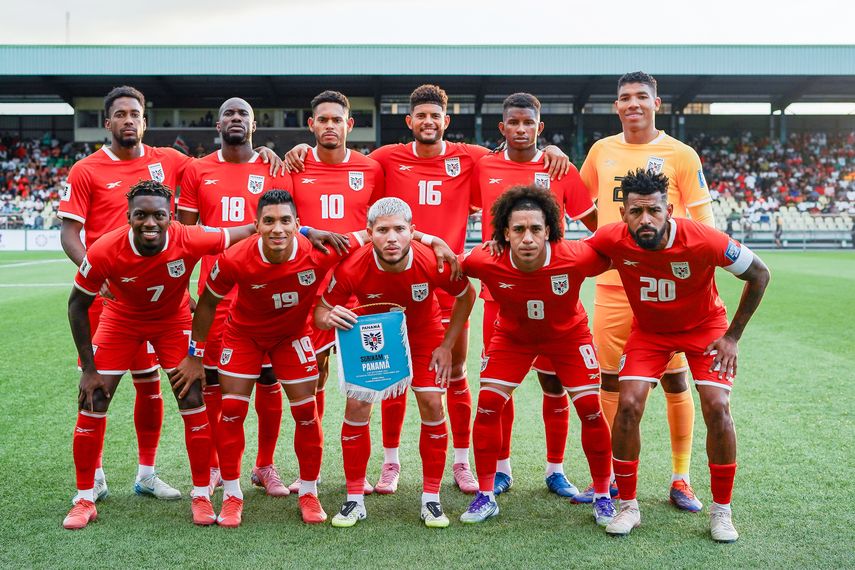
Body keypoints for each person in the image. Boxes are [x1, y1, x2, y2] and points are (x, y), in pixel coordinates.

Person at [285, 84, 571, 494]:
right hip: (396, 281)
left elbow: (516, 154)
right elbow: (344, 166)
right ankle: (390, 462)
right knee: (391, 374)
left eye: (435, 116)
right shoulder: (384, 159)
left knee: (455, 375)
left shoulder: (470, 157)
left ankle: (461, 461)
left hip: (446, 281)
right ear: (409, 121)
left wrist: (552, 152)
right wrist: (299, 146)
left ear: (446, 120)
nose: (428, 122)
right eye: (420, 116)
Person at [58, 86, 283, 503]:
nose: (128, 120)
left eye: (135, 114)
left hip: (164, 301)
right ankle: (96, 479)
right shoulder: (85, 170)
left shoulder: (173, 161)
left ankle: (147, 473)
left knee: (152, 387)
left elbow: (225, 163)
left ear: (144, 121)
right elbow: (69, 232)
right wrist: (92, 269)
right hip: (112, 296)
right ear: (107, 122)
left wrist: (271, 152)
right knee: (96, 389)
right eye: (120, 114)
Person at [585, 168, 770, 542]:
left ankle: (722, 511)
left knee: (716, 405)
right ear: (623, 214)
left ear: (668, 208)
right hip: (650, 332)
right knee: (629, 404)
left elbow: (760, 274)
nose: (645, 219)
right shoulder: (612, 238)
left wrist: (732, 337)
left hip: (705, 328)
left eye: (653, 210)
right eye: (635, 212)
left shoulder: (703, 239)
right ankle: (628, 507)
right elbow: (571, 258)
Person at [62, 180, 256, 530]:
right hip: (120, 320)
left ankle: (199, 494)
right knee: (93, 400)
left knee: (192, 395)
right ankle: (84, 498)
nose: (149, 222)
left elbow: (249, 229)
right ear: (128, 216)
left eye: (158, 216)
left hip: (173, 321)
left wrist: (303, 229)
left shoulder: (190, 237)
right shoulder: (106, 249)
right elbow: (77, 306)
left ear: (172, 217)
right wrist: (88, 369)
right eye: (141, 215)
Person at [171, 189, 359, 526]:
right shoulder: (235, 257)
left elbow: (375, 232)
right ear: (256, 225)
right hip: (243, 337)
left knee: (306, 413)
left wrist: (432, 241)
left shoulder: (319, 251)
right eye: (269, 221)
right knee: (232, 412)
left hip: (292, 336)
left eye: (286, 221)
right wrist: (195, 355)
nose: (277, 229)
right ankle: (232, 495)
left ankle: (309, 492)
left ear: (298, 224)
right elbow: (208, 304)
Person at [578, 72, 715, 508]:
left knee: (676, 380)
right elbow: (582, 205)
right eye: (624, 98)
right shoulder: (601, 151)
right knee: (610, 379)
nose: (632, 103)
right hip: (614, 287)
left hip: (668, 290)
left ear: (658, 102)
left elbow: (703, 224)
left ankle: (680, 477)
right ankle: (609, 480)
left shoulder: (681, 154)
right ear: (616, 106)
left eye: (641, 96)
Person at [316, 197, 476, 528]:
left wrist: (447, 345)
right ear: (369, 233)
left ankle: (431, 498)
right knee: (357, 406)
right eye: (383, 230)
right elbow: (319, 311)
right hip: (376, 335)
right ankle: (354, 500)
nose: (392, 238)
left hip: (424, 332)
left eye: (400, 230)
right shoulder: (352, 267)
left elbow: (466, 295)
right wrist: (329, 316)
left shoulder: (432, 260)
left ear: (412, 232)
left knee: (432, 402)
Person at [459, 185, 613, 526]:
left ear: (550, 231)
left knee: (589, 408)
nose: (527, 238)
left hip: (569, 338)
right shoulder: (486, 259)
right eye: (518, 230)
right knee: (487, 405)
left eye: (536, 229)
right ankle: (485, 496)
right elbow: (453, 264)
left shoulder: (576, 256)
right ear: (504, 233)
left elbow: (618, 252)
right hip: (513, 338)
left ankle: (603, 495)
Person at [472, 93, 598, 498]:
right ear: (502, 127)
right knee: (497, 388)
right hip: (501, 294)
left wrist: (566, 255)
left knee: (555, 383)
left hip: (552, 292)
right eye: (514, 123)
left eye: (529, 123)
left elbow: (595, 223)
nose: (522, 130)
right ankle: (501, 469)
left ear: (539, 128)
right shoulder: (482, 165)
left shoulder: (559, 166)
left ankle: (556, 470)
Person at [177, 97, 294, 497]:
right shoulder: (197, 169)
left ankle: (264, 466)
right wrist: (182, 287)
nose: (235, 119)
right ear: (218, 124)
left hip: (265, 295)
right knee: (213, 382)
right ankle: (214, 467)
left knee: (268, 379)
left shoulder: (273, 167)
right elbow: (187, 237)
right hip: (217, 295)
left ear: (254, 124)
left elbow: (287, 228)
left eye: (242, 113)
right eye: (228, 113)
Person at [287, 90, 385, 494]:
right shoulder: (293, 165)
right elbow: (281, 220)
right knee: (312, 378)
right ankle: (310, 469)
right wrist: (313, 232)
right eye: (322, 119)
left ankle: (375, 470)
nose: (330, 125)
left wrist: (355, 236)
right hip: (308, 288)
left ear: (350, 125)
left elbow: (386, 220)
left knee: (367, 382)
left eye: (336, 119)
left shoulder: (371, 168)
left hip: (359, 290)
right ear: (311, 125)